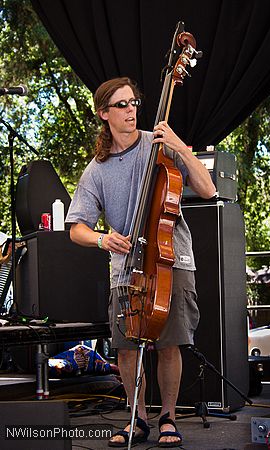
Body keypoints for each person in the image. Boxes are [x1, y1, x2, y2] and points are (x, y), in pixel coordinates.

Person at [66, 77, 216, 447]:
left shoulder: (159, 144)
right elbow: (76, 228)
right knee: (127, 348)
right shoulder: (97, 169)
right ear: (104, 114)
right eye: (122, 105)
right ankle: (137, 417)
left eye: (134, 102)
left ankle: (168, 417)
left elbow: (209, 189)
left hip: (170, 259)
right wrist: (103, 238)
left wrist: (179, 144)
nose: (131, 109)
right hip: (126, 267)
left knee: (169, 342)